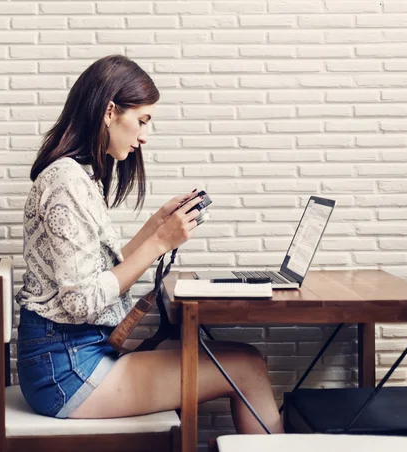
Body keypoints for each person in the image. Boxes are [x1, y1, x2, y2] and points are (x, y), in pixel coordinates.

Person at [15, 54, 284, 434]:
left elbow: (95, 274)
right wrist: (158, 242)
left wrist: (154, 227)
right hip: (68, 370)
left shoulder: (78, 178)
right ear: (110, 111)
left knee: (245, 360)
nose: (144, 136)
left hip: (71, 357)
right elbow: (80, 301)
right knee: (248, 367)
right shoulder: (65, 183)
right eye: (142, 120)